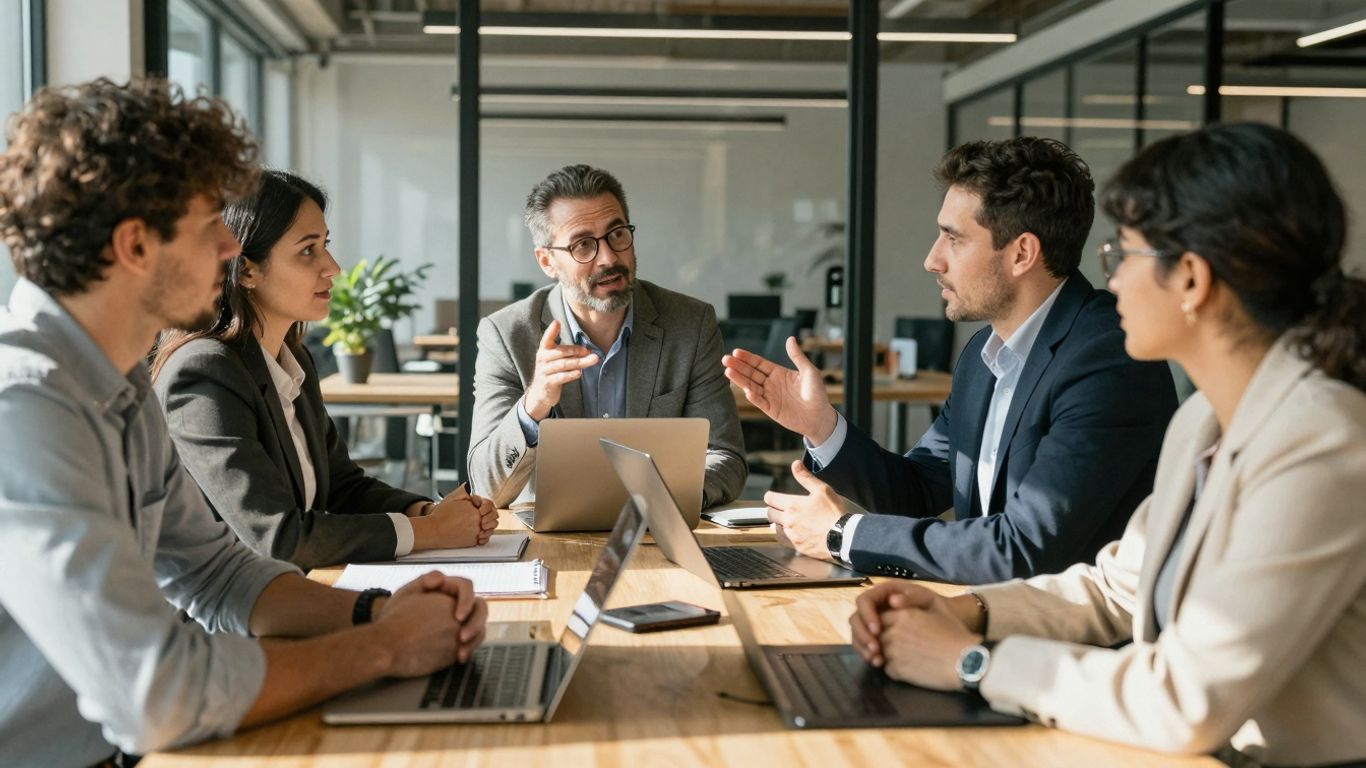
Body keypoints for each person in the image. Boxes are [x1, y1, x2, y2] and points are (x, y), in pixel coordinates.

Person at [0, 78, 487, 766]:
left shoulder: (122, 386)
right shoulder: (23, 409)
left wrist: (380, 609)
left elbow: (216, 574)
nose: (232, 246)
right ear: (136, 245)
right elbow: (155, 694)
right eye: (209, 223)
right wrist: (383, 647)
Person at [849, 123, 1366, 766]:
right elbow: (1116, 588)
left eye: (1123, 257)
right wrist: (967, 612)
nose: (1110, 283)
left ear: (1192, 280)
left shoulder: (1321, 444)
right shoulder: (1203, 419)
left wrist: (973, 662)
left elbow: (1185, 701)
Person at [723, 137, 1177, 583]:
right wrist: (820, 425)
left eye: (953, 239)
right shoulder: (983, 357)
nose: (932, 260)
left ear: (1022, 253)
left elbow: (1027, 546)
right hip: (986, 621)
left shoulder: (1108, 358)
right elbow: (916, 491)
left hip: (1068, 646)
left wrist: (843, 533)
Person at [150, 170, 497, 571]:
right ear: (246, 271)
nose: (332, 266)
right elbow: (279, 538)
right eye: (307, 250)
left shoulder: (292, 361)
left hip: (296, 591)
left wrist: (424, 511)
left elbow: (342, 487)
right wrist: (432, 534)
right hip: (230, 622)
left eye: (325, 245)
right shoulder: (204, 373)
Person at [468, 164, 746, 508]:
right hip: (547, 540)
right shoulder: (507, 335)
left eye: (617, 234)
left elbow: (726, 457)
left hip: (656, 530)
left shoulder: (689, 324)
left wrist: (660, 500)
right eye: (583, 245)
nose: (609, 257)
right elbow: (485, 486)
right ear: (546, 262)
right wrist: (534, 403)